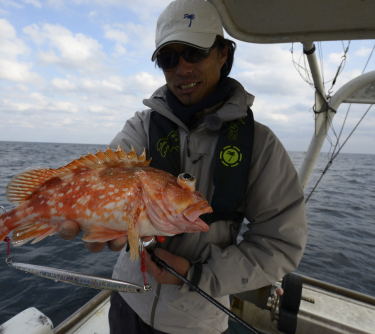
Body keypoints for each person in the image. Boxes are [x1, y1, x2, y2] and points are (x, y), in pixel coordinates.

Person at [59, 0, 307, 333]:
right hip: (127, 300)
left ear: (223, 54)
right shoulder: (140, 127)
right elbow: (103, 181)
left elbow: (281, 242)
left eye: (194, 52)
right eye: (168, 58)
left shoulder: (260, 145)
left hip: (197, 322)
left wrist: (197, 274)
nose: (182, 68)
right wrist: (96, 225)